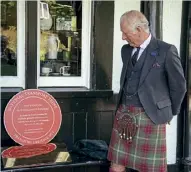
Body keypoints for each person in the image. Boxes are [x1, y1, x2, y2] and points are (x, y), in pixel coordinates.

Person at [107, 10, 186, 172]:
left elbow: (179, 86)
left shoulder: (166, 51)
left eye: (125, 33)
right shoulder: (126, 50)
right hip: (124, 113)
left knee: (150, 168)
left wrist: (170, 112)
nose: (123, 37)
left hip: (151, 115)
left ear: (139, 30)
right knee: (116, 163)